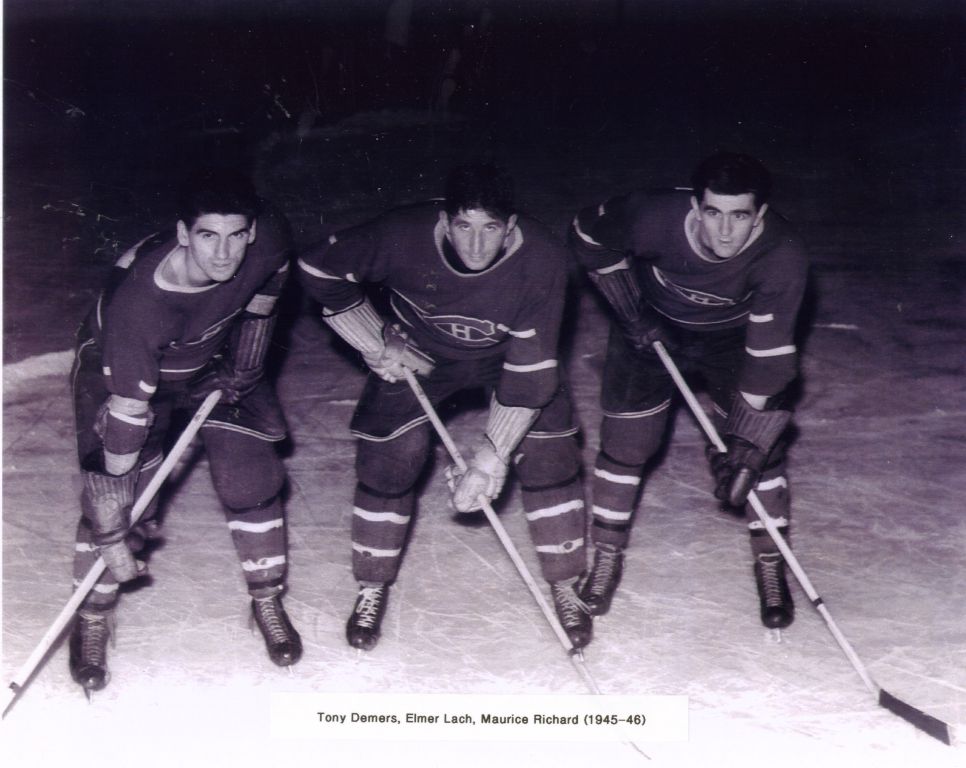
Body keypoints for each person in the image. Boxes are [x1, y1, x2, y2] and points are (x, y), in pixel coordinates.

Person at [297, 163, 591, 651]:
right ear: (444, 219)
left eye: (491, 228)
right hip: (423, 353)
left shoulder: (543, 260)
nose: (475, 245)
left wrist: (490, 459)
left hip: (508, 360)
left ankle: (564, 584)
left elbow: (529, 372)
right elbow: (317, 268)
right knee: (390, 459)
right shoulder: (401, 233)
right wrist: (374, 339)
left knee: (549, 452)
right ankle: (371, 585)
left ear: (511, 226)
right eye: (463, 226)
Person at [67, 167, 302, 696]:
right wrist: (114, 512)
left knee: (252, 478)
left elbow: (271, 279)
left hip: (212, 359)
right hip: (119, 381)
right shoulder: (138, 307)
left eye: (236, 235)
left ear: (252, 230)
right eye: (207, 236)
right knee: (124, 502)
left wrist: (248, 355)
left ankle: (266, 597)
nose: (224, 253)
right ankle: (93, 615)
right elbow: (128, 410)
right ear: (181, 234)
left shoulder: (269, 238)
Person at [569, 152, 808, 629]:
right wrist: (631, 310)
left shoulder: (783, 256)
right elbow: (586, 236)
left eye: (740, 216)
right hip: (652, 330)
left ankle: (770, 562)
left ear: (759, 215)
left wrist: (748, 440)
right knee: (625, 445)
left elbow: (769, 356)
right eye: (713, 213)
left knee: (761, 455)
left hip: (733, 341)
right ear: (695, 207)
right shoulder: (651, 217)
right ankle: (607, 556)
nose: (724, 232)